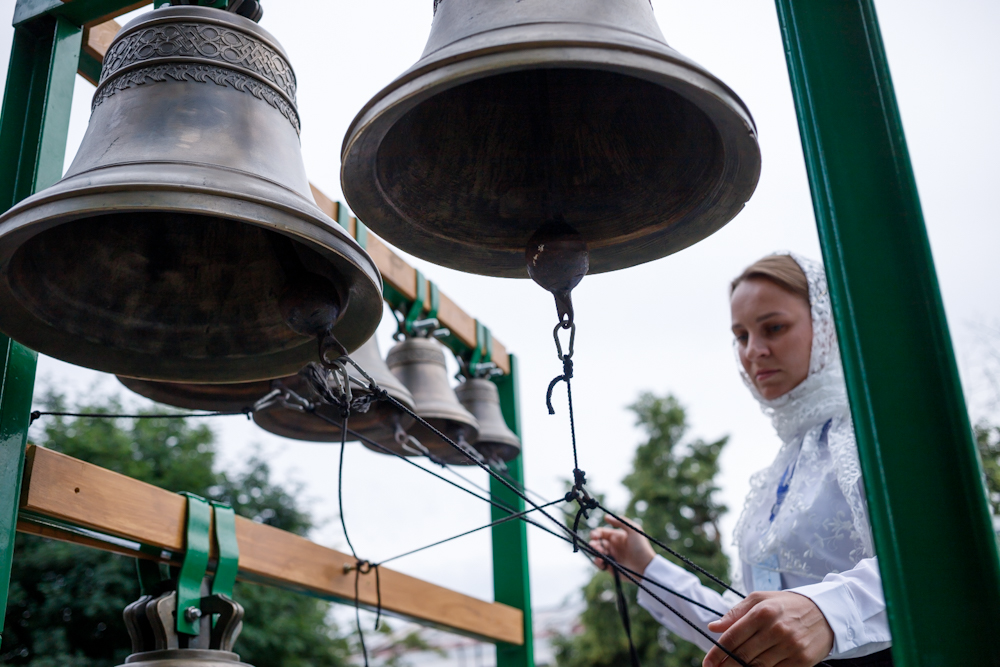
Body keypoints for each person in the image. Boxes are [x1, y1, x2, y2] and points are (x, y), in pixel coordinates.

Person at [590, 253, 893, 667]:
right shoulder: (781, 471)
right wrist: (647, 569)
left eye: (774, 327)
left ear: (828, 323)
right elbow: (741, 634)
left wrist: (828, 612)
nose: (754, 351)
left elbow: (939, 564)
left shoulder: (879, 430)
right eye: (741, 335)